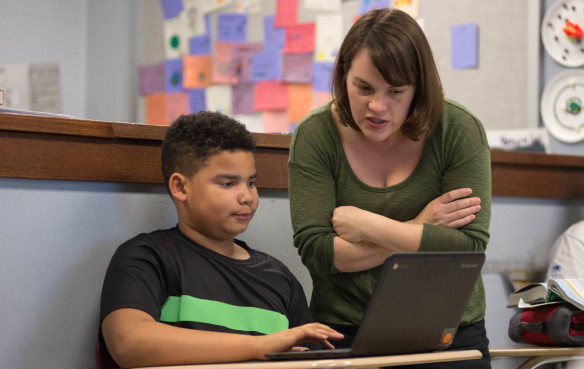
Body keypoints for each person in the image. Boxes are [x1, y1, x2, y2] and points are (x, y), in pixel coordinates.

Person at [288, 8, 491, 368]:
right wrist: (419, 227)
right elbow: (318, 252)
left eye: (396, 91)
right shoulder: (316, 134)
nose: (377, 106)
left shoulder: (458, 129)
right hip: (343, 331)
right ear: (342, 76)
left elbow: (467, 247)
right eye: (363, 87)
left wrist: (370, 226)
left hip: (447, 332)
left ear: (419, 89)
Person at [99, 111, 342, 368]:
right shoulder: (147, 257)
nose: (246, 196)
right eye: (228, 184)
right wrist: (259, 347)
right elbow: (129, 344)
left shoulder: (279, 278)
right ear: (181, 187)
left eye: (251, 182)